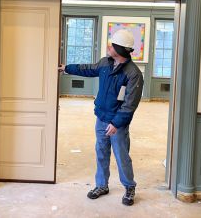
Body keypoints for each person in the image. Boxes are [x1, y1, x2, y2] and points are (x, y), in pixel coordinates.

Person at [58, 29, 144, 206]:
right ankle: (102, 185)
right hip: (101, 117)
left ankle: (129, 187)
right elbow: (88, 69)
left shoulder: (133, 74)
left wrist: (116, 123)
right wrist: (66, 68)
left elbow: (130, 104)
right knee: (101, 152)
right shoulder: (105, 63)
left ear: (119, 49)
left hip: (117, 123)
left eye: (112, 45)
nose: (108, 47)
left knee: (121, 156)